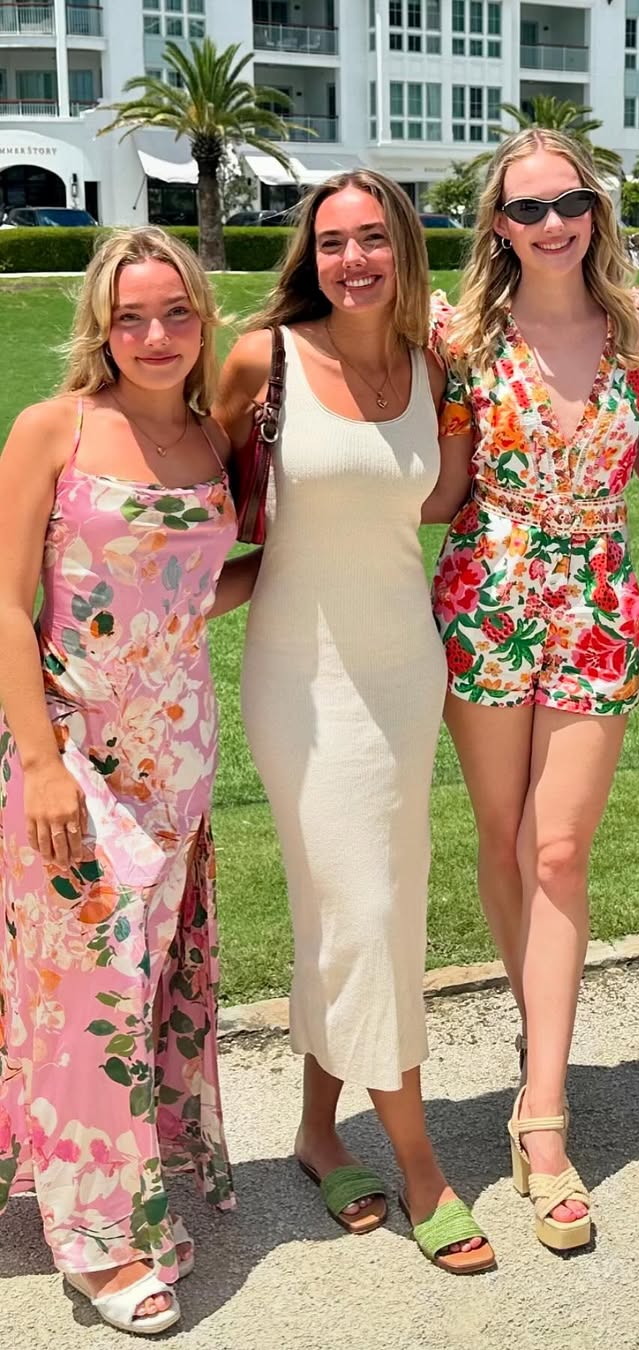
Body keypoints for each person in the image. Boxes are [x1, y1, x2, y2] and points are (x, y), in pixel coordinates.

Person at [213, 171, 493, 1275]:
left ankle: (318, 1132)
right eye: (333, 242)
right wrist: (160, 605)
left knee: (370, 906)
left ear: (405, 248)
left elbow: (439, 499)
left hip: (404, 673)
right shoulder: (264, 359)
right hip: (301, 681)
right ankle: (422, 1166)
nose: (354, 260)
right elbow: (203, 506)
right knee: (365, 908)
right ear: (311, 257)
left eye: (374, 238)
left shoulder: (433, 365)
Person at [0, 227, 252, 1335]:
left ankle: (108, 1182)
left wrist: (299, 568)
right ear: (102, 326)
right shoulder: (52, 428)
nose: (156, 335)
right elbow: (6, 604)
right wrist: (41, 762)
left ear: (203, 319)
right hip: (71, 749)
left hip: (178, 754)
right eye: (132, 316)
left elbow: (198, 585)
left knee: (134, 989)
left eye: (176, 312)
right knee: (90, 991)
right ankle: (101, 1243)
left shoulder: (211, 439)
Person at [428, 129, 639, 1252]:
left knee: (558, 848)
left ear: (595, 211)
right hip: (487, 593)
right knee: (502, 834)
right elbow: (438, 487)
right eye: (527, 209)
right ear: (499, 226)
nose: (553, 223)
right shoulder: (461, 338)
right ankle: (543, 1038)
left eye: (570, 201)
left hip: (599, 605)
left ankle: (544, 1116)